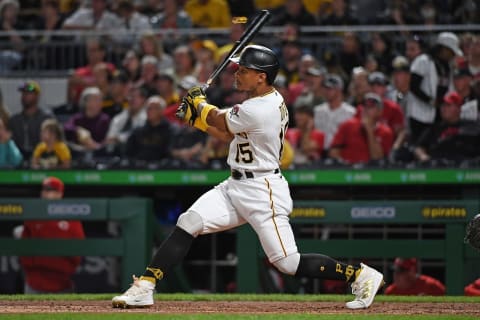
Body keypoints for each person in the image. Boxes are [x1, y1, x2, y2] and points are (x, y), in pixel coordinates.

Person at [112, 44, 384, 310]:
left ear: (261, 76)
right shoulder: (256, 102)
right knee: (189, 221)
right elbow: (228, 134)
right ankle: (145, 287)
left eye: (244, 70)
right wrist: (197, 119)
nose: (237, 74)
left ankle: (360, 275)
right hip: (235, 185)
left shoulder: (262, 107)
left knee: (288, 263)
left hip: (263, 190)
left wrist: (198, 103)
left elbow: (219, 118)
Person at [19, 176, 85, 294]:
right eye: (45, 190)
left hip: (63, 282)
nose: (46, 193)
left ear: (60, 194)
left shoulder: (71, 217)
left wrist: (64, 270)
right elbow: (24, 250)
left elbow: (78, 249)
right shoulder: (33, 216)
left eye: (51, 190)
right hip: (35, 282)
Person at [329, 93, 394, 165]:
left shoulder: (386, 131)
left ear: (380, 112)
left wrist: (369, 130)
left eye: (371, 107)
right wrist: (345, 164)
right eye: (365, 106)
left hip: (372, 172)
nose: (366, 109)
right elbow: (334, 151)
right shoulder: (348, 125)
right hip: (347, 170)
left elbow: (377, 158)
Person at [9, 80, 53, 159]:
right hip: (17, 161)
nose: (25, 95)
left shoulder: (46, 119)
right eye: (23, 93)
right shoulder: (14, 120)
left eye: (29, 93)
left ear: (37, 96)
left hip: (42, 159)